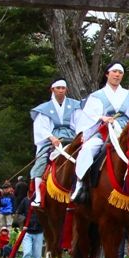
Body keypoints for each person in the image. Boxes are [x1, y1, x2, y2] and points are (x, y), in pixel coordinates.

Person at [72, 63, 129, 203]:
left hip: (124, 131)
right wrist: (101, 118)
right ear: (107, 74)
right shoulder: (97, 96)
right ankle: (80, 185)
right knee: (88, 149)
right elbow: (89, 116)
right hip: (103, 130)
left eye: (120, 72)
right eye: (114, 71)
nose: (117, 75)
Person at [30, 78, 82, 206]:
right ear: (52, 89)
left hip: (72, 137)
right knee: (42, 161)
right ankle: (38, 195)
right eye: (58, 88)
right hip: (53, 139)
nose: (60, 91)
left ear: (66, 90)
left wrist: (80, 135)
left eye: (63, 88)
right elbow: (41, 127)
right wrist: (51, 138)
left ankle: (84, 190)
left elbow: (80, 123)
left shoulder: (75, 105)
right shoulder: (44, 109)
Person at [14, 189, 44, 258]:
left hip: (39, 231)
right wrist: (23, 224)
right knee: (27, 253)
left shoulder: (42, 201)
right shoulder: (25, 200)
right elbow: (18, 213)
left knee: (37, 256)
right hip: (27, 231)